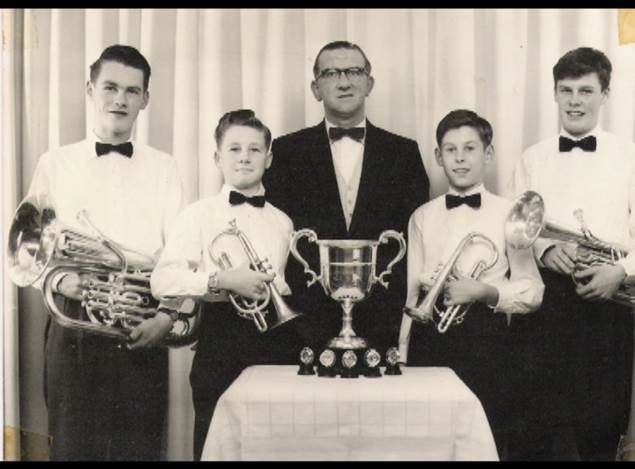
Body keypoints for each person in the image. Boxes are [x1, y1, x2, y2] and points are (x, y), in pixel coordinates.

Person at [14, 45, 184, 460]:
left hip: (141, 319)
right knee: (73, 448)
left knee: (140, 448)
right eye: (110, 87)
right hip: (72, 322)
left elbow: (180, 253)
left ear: (145, 99)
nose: (120, 99)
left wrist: (167, 317)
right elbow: (29, 249)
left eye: (132, 90)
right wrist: (60, 279)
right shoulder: (54, 163)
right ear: (90, 90)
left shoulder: (165, 167)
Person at [508, 47, 635, 461]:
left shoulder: (629, 156)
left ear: (605, 94)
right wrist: (544, 250)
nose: (575, 101)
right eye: (566, 90)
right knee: (537, 429)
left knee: (601, 428)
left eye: (586, 90)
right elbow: (517, 230)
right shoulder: (532, 157)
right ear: (555, 94)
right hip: (548, 305)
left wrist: (621, 271)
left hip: (610, 303)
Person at [264, 40, 430, 357]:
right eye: (331, 73)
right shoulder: (284, 153)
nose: (344, 81)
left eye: (354, 71)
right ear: (315, 88)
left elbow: (413, 244)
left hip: (382, 323)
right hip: (304, 326)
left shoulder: (404, 153)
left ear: (369, 83)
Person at [151, 109, 298, 461]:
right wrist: (222, 279)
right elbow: (163, 281)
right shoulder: (197, 215)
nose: (245, 157)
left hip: (276, 343)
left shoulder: (283, 221)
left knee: (274, 449)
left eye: (254, 149)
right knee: (217, 446)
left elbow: (284, 285)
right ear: (217, 157)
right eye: (234, 149)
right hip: (221, 342)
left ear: (269, 157)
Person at [398, 109, 544, 458]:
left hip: (486, 344)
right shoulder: (422, 216)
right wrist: (402, 353)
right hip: (430, 339)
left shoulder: (511, 213)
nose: (460, 158)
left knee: (483, 441)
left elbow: (533, 289)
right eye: (450, 150)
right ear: (438, 156)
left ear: (488, 154)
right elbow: (411, 293)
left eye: (470, 148)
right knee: (429, 443)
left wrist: (485, 291)